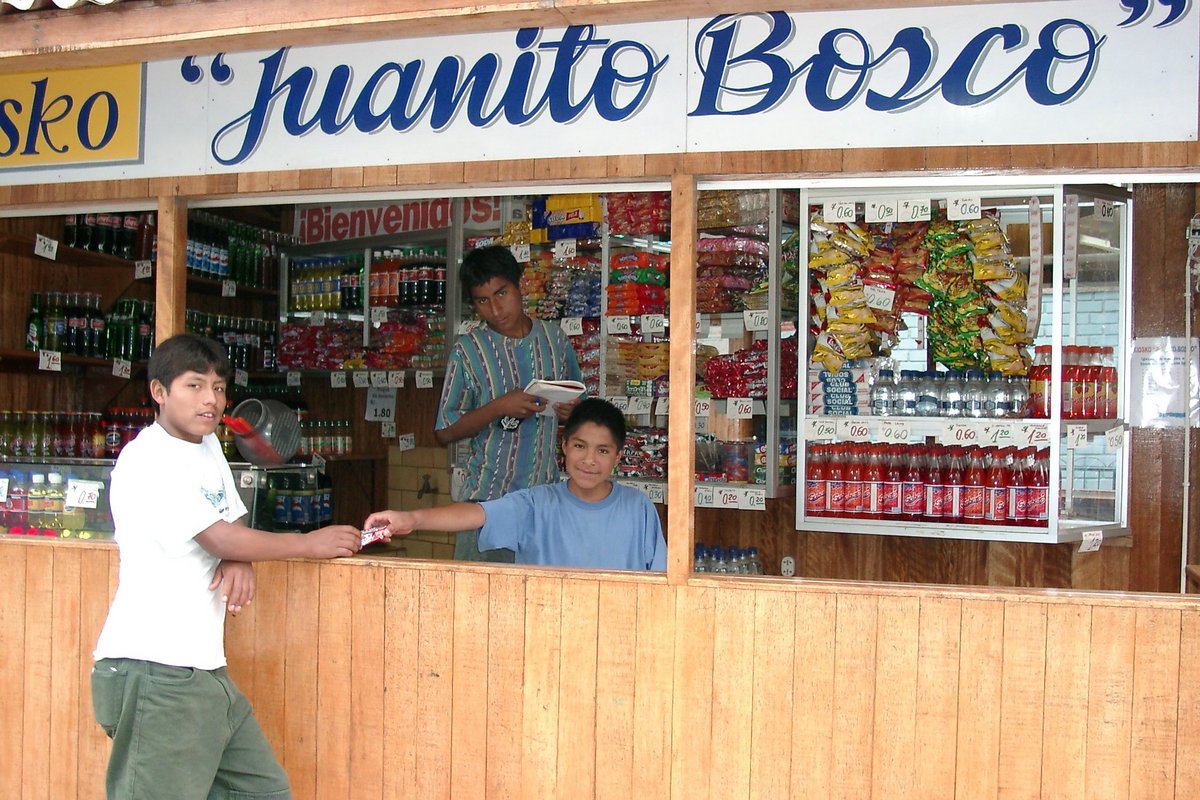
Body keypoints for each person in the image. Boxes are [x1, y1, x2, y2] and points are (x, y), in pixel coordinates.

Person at [90, 333, 362, 799]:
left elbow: (231, 513)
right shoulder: (148, 459)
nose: (210, 400)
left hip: (203, 670)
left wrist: (241, 555)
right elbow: (216, 535)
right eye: (194, 386)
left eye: (218, 387)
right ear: (158, 392)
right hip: (156, 671)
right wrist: (308, 542)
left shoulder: (207, 446)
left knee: (263, 792)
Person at [367, 398, 665, 571]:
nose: (589, 460)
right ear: (564, 446)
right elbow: (474, 514)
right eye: (580, 446)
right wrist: (411, 518)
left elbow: (661, 577)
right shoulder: (536, 504)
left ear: (618, 455)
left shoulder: (637, 508)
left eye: (602, 450)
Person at [435, 243, 584, 562]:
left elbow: (577, 398)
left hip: (543, 503)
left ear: (521, 285)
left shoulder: (555, 339)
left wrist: (570, 410)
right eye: (482, 301)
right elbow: (444, 431)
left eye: (502, 293)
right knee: (478, 606)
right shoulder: (467, 351)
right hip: (486, 507)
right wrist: (499, 407)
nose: (495, 309)